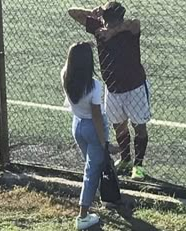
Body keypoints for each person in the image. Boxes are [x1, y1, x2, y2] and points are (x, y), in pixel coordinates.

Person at [68, 2, 151, 180]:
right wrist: (90, 11)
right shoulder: (98, 27)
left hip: (134, 87)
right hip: (112, 88)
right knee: (118, 125)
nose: (107, 24)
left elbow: (135, 23)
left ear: (118, 19)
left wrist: (113, 31)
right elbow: (72, 13)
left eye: (110, 21)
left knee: (139, 127)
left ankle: (139, 166)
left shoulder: (129, 31)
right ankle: (126, 159)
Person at [61, 42, 117, 230]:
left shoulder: (65, 75)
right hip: (93, 129)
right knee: (91, 172)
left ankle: (103, 197)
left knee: (92, 166)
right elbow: (96, 118)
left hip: (77, 125)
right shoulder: (94, 86)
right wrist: (105, 143)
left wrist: (83, 46)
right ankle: (83, 215)